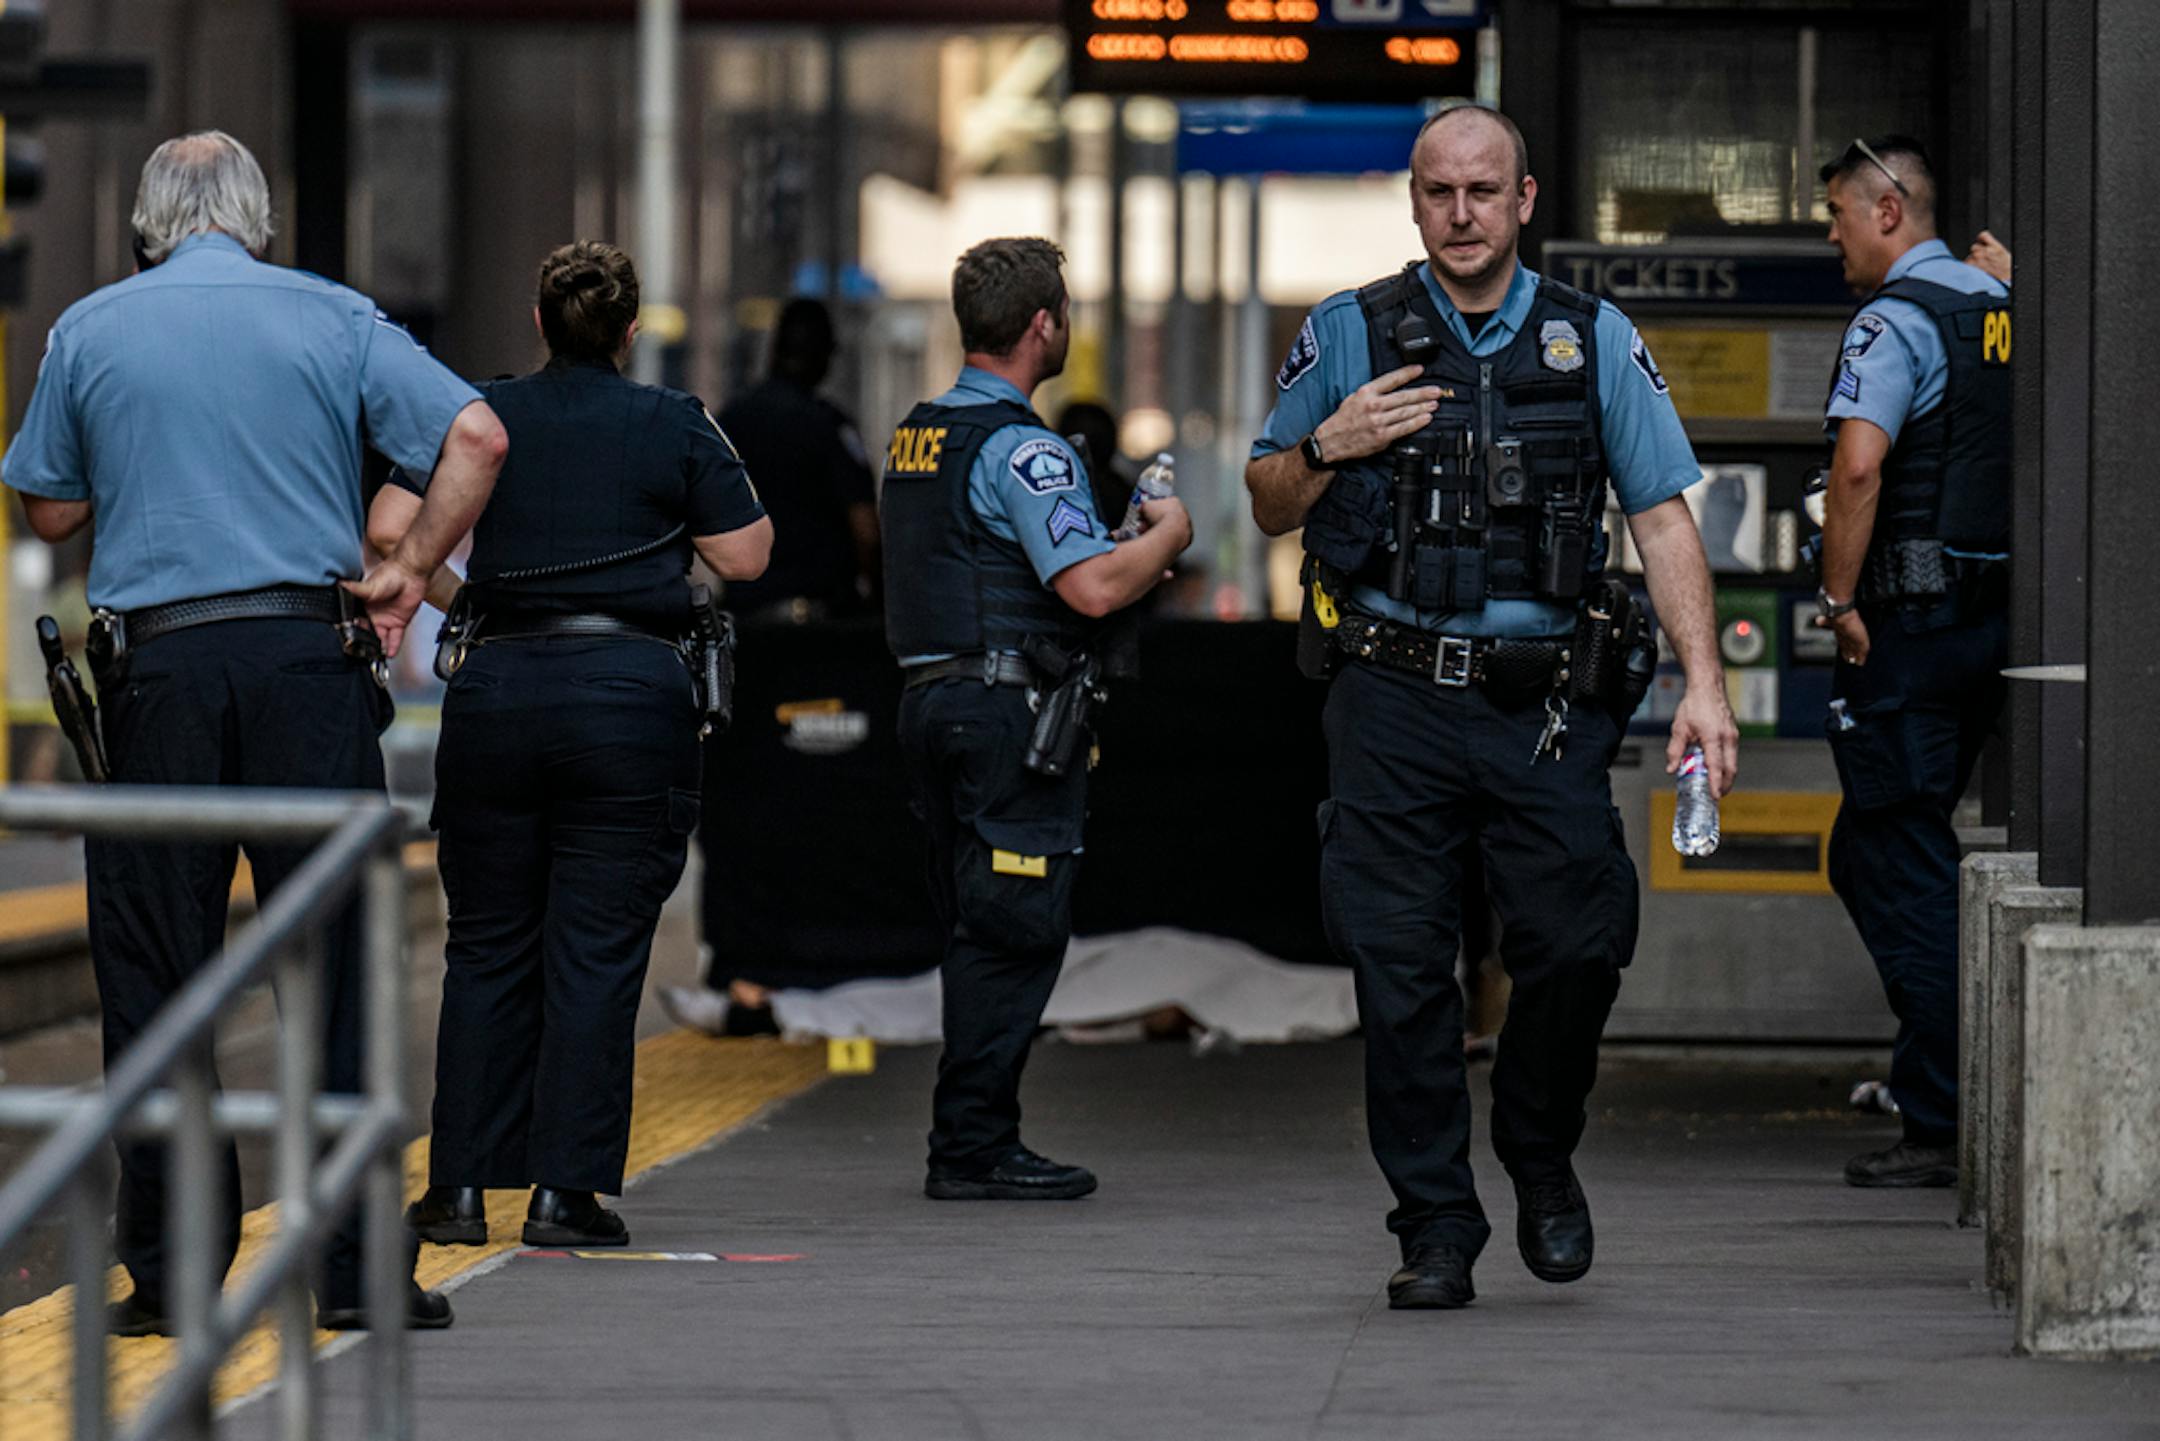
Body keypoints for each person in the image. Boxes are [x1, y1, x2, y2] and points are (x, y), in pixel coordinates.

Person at [2, 131, 502, 1333]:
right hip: (306, 664)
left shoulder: (91, 327)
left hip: (161, 672)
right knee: (329, 966)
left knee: (158, 974)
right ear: (258, 219)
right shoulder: (336, 318)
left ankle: (173, 1273)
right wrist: (410, 568)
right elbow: (477, 435)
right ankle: (351, 1270)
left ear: (147, 221)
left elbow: (52, 506)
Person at [1244, 104, 1737, 1310]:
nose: (1459, 213)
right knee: (1399, 966)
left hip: (1541, 708)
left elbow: (1664, 513)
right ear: (1413, 204)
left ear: (1524, 202)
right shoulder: (1349, 333)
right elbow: (1264, 497)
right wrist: (1331, 446)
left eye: (1483, 191)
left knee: (1577, 941)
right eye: (1436, 192)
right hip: (1391, 698)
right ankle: (1435, 1223)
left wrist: (1705, 685)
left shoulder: (1593, 339)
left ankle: (1539, 1150)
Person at [373, 242, 772, 1248]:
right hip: (628, 704)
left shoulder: (482, 412)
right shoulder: (674, 422)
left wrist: (468, 601)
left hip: (499, 691)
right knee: (594, 953)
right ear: (631, 331)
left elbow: (388, 531)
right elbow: (748, 552)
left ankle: (457, 1190)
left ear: (541, 321)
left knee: (487, 948)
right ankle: (565, 1196)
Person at [884, 237, 1192, 1200]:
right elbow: (1094, 587)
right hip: (1003, 713)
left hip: (930, 705)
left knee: (974, 923)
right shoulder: (1027, 447)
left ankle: (974, 1134)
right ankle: (971, 1146)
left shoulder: (917, 434)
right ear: (1042, 327)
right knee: (1013, 926)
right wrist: (1167, 536)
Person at [1814, 137, 2010, 1189]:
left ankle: (1941, 1118)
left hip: (1909, 627)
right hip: (1988, 631)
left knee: (1900, 860)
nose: (1834, 239)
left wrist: (1840, 600)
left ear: (1889, 210)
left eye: (1842, 216)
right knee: (1874, 850)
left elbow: (1858, 466)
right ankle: (1952, 1084)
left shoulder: (1892, 319)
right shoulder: (2001, 302)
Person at [713, 297, 878, 623]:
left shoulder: (729, 422)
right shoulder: (829, 426)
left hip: (745, 619)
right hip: (818, 626)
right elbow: (866, 530)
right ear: (823, 355)